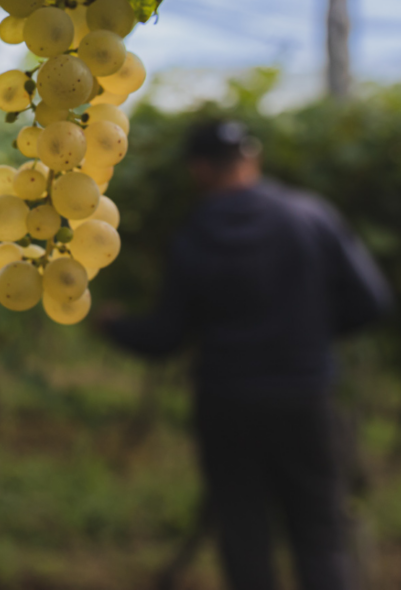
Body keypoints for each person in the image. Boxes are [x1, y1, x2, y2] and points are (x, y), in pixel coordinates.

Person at [97, 119, 392, 590]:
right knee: (319, 535)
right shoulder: (310, 215)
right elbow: (371, 303)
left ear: (198, 170)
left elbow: (165, 337)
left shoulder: (194, 234)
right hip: (304, 396)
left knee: (243, 533)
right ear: (251, 158)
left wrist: (112, 324)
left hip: (226, 403)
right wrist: (308, 337)